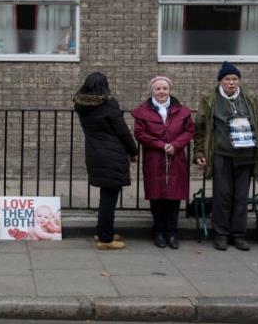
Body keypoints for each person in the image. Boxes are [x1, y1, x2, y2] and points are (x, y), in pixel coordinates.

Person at [194, 62, 258, 251]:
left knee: (241, 197)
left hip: (246, 155)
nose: (231, 83)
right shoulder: (210, 98)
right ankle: (220, 234)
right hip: (221, 154)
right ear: (220, 81)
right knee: (222, 196)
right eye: (227, 79)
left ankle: (238, 235)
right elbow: (200, 129)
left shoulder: (249, 98)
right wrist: (199, 153)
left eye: (235, 79)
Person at [74, 72, 138, 250]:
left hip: (94, 153)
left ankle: (102, 230)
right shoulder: (109, 104)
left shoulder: (81, 106)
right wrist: (133, 151)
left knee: (106, 195)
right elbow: (122, 130)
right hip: (112, 154)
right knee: (109, 197)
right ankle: (105, 239)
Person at [131, 76, 194, 249]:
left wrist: (176, 144)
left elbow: (189, 131)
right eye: (158, 89)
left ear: (170, 90)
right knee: (156, 195)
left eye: (164, 89)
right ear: (152, 90)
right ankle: (158, 231)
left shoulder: (182, 112)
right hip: (154, 158)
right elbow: (140, 133)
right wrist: (161, 145)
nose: (161, 92)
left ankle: (172, 232)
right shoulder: (143, 112)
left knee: (174, 197)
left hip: (176, 157)